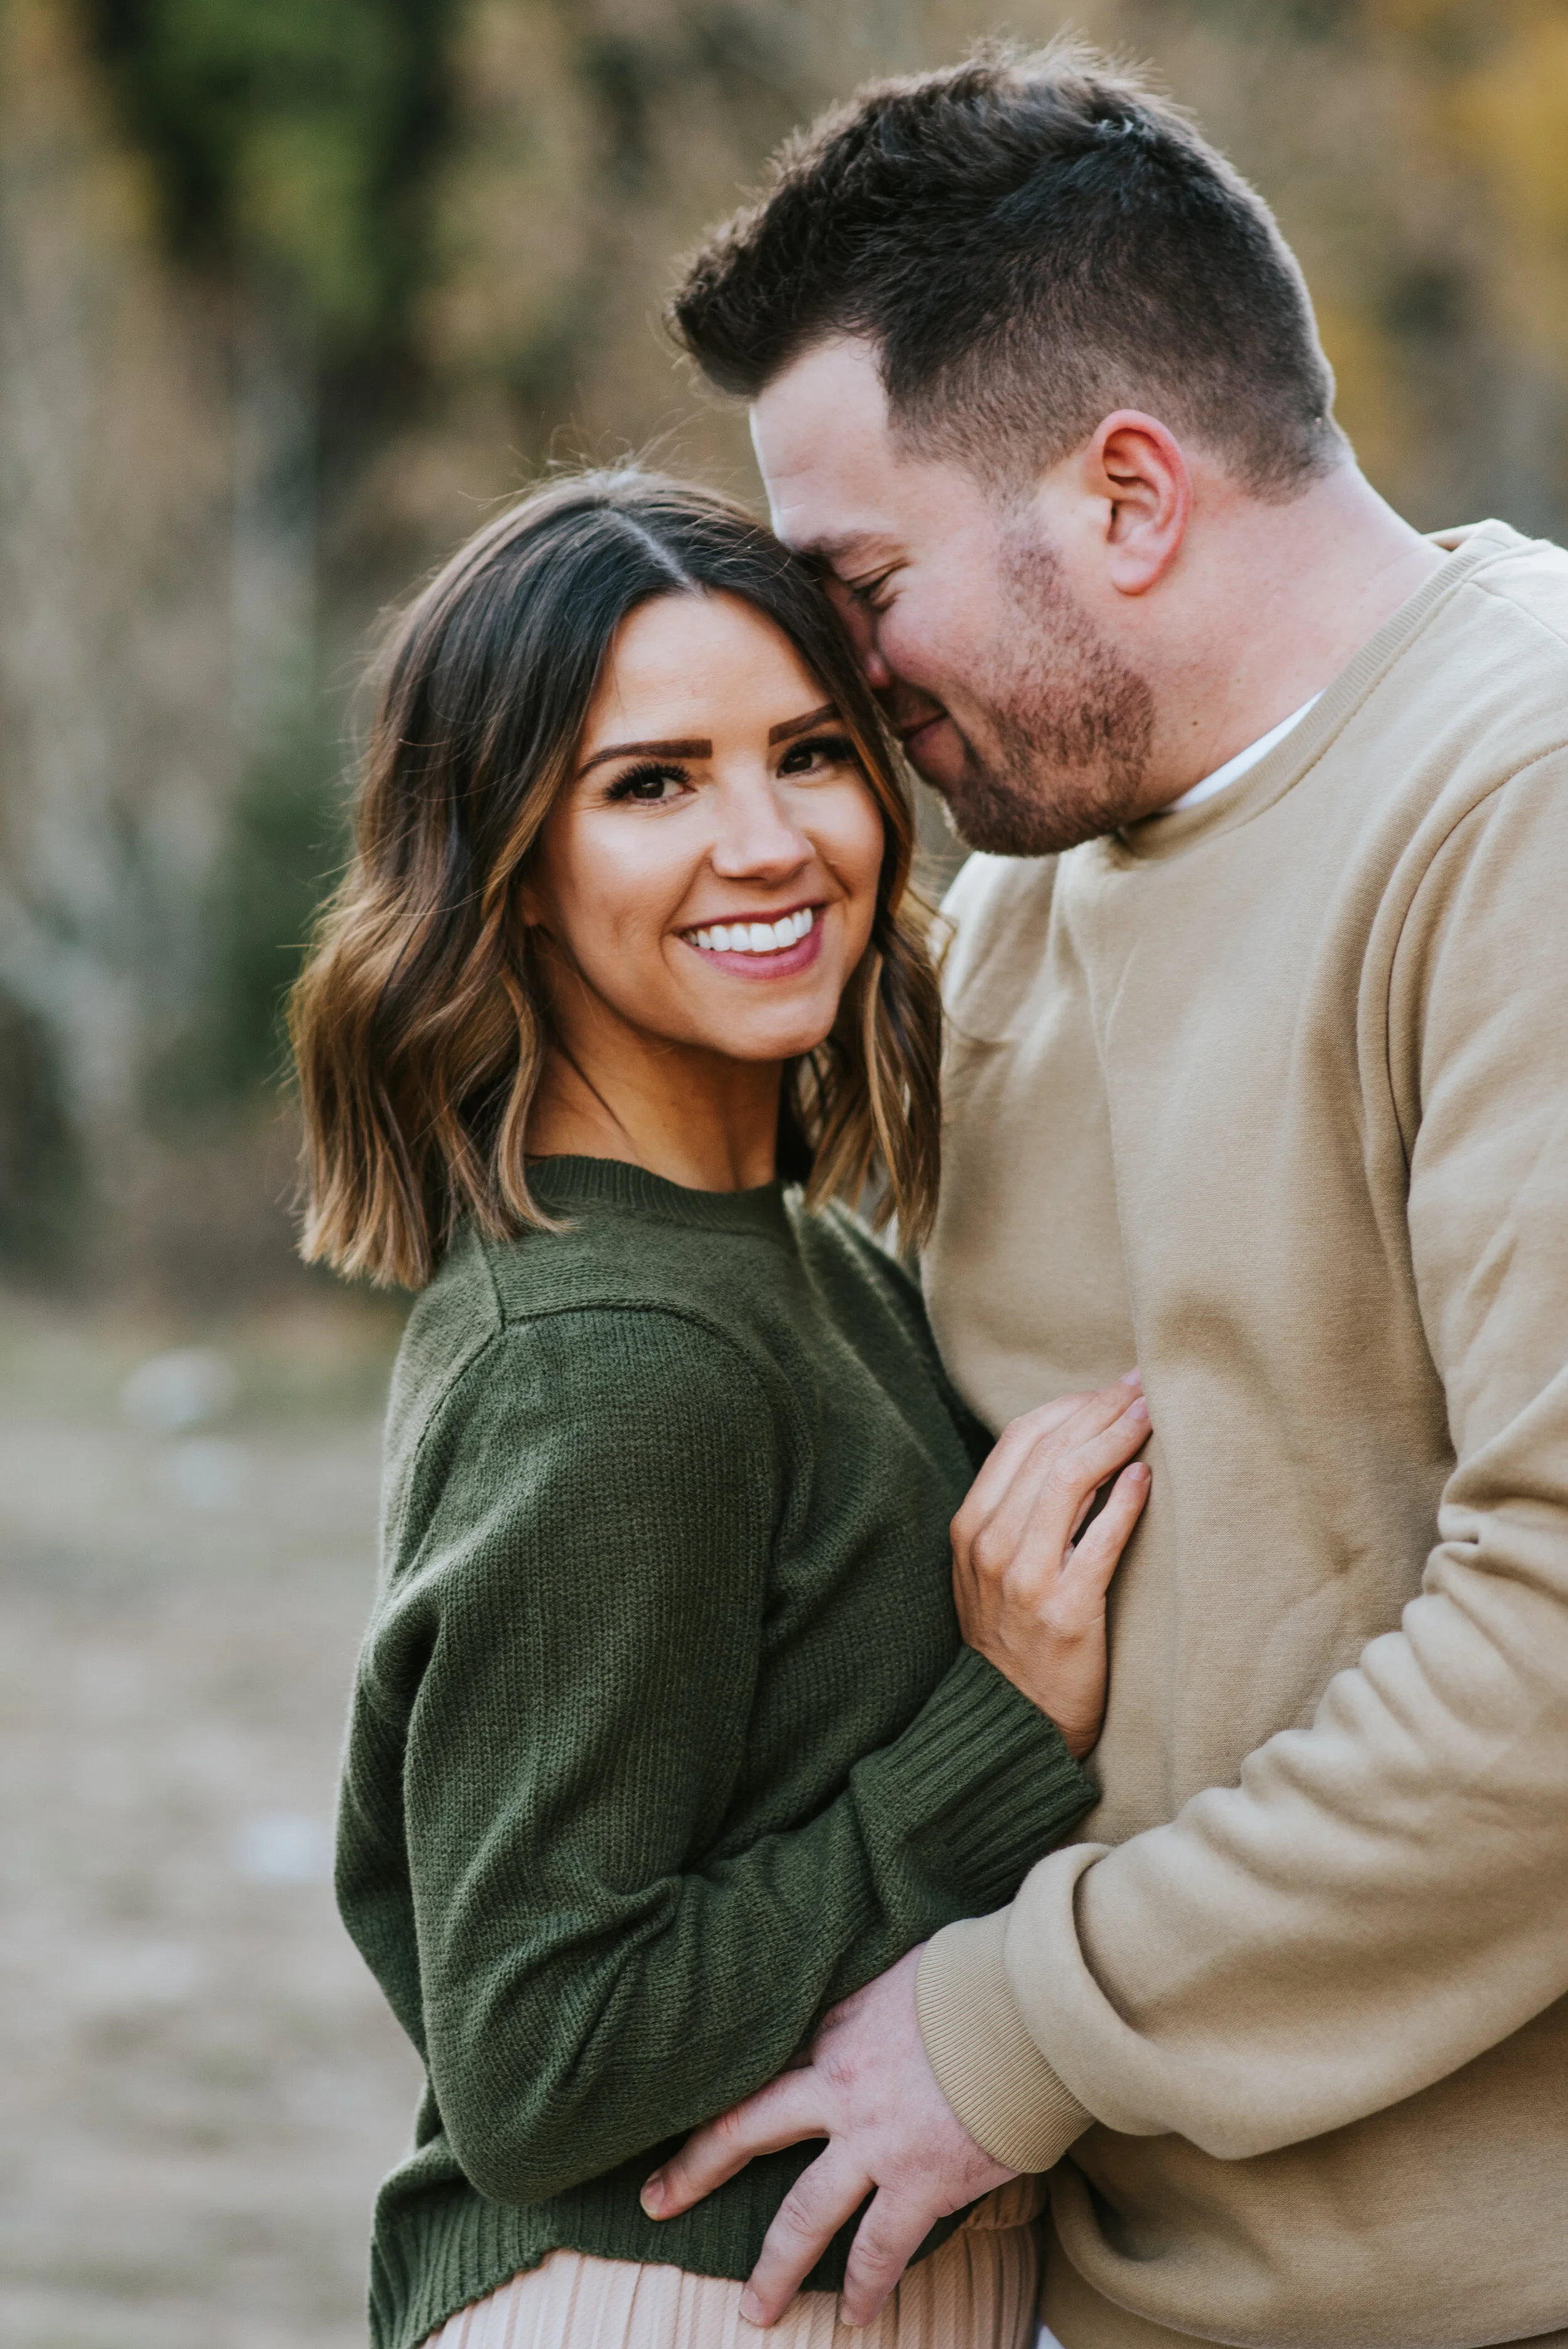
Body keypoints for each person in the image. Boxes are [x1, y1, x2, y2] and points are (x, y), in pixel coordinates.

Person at [650, 41, 1568, 2349]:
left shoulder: (1519, 800)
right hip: (1107, 2285)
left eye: (860, 587)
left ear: (1129, 495)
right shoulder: (1043, 877)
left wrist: (1014, 2033)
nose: (843, 685)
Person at [288, 470, 1155, 2349]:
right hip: (673, 2304)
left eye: (810, 754)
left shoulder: (795, 1261)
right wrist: (985, 1742)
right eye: (650, 784)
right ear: (505, 866)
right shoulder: (611, 1361)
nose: (766, 843)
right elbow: (537, 2049)